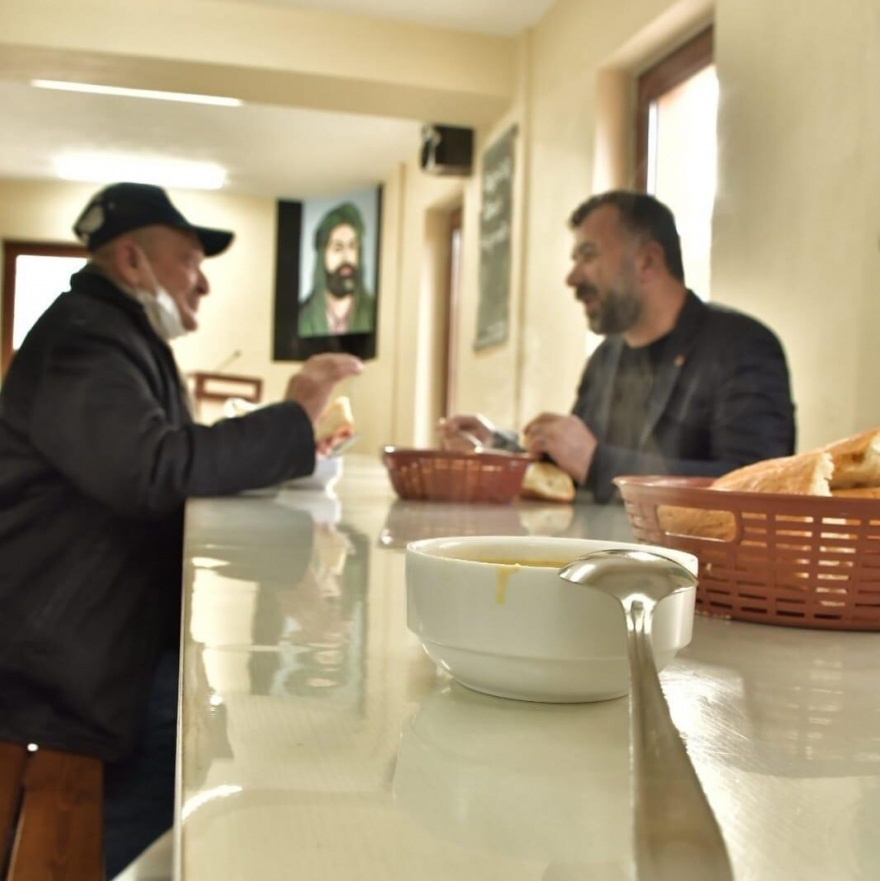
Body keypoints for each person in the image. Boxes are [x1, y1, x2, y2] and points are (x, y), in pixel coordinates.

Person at [0, 182, 362, 877]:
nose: (202, 281)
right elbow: (150, 469)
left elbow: (170, 460)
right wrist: (293, 413)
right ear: (133, 261)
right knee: (191, 758)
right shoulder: (86, 335)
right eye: (190, 260)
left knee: (202, 734)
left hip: (105, 633)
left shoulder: (123, 333)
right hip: (60, 664)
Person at [440, 190, 795, 503]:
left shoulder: (742, 346)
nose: (572, 277)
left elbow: (758, 484)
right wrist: (497, 445)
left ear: (647, 262)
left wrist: (600, 464)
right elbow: (573, 465)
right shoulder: (606, 358)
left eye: (588, 255)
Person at [297, 201, 376, 337]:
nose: (347, 258)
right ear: (322, 256)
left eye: (352, 247)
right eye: (337, 248)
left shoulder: (374, 312)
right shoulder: (302, 316)